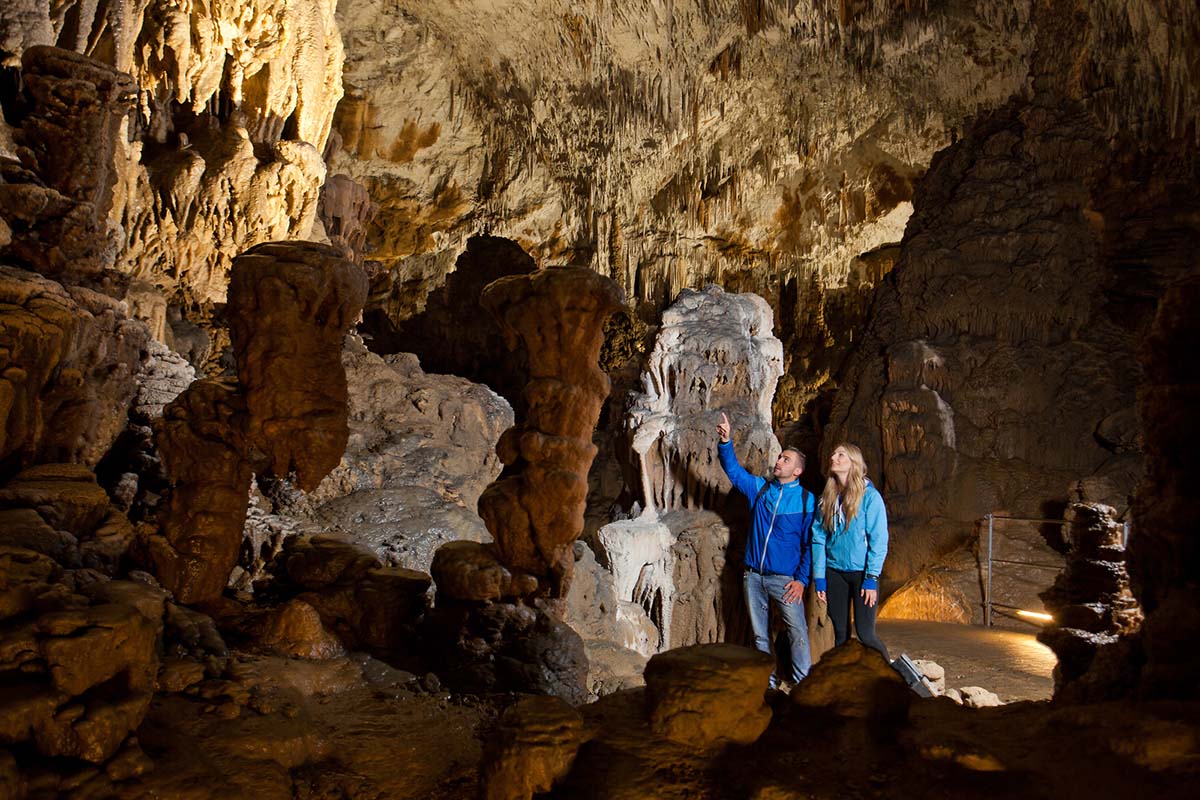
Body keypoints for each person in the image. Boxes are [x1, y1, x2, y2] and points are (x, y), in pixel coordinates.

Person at [717, 412, 816, 688]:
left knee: (797, 632)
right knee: (760, 636)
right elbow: (734, 472)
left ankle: (803, 686)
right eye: (779, 457)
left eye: (785, 459)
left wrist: (801, 580)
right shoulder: (760, 490)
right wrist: (726, 441)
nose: (778, 461)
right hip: (754, 576)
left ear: (797, 471)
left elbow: (810, 545)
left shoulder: (807, 501)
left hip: (785, 581)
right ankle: (769, 686)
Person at [812, 443, 890, 660]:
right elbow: (818, 539)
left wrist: (871, 578)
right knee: (840, 633)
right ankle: (845, 679)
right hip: (834, 572)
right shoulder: (826, 499)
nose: (833, 457)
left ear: (854, 462)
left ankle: (892, 678)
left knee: (866, 634)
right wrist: (819, 578)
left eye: (840, 454)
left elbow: (879, 540)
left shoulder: (870, 497)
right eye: (833, 453)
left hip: (862, 574)